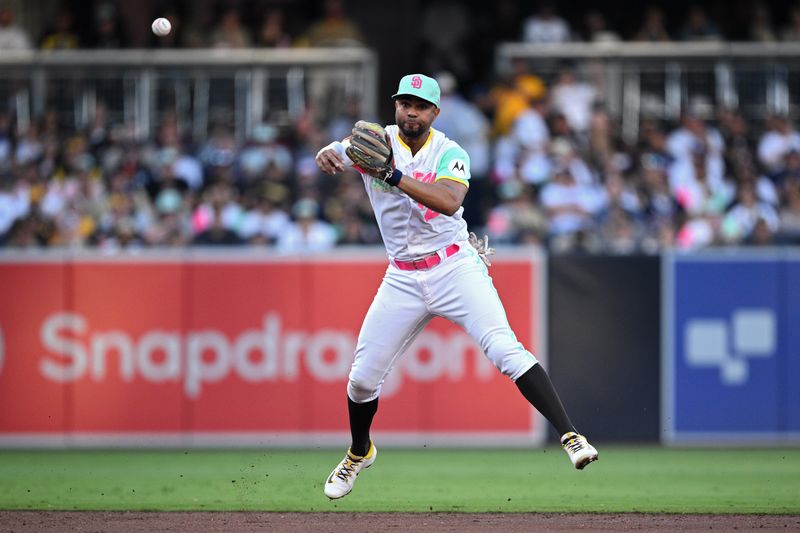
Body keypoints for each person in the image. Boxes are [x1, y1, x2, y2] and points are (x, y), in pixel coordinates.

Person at [314, 73, 598, 500]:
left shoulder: (450, 151)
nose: (411, 111)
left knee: (505, 350)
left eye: (420, 105)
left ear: (435, 113)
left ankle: (572, 436)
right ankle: (359, 452)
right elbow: (336, 152)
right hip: (403, 276)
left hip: (453, 266)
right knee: (361, 380)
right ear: (396, 107)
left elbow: (449, 202)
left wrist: (390, 175)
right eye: (404, 103)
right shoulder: (375, 141)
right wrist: (328, 153)